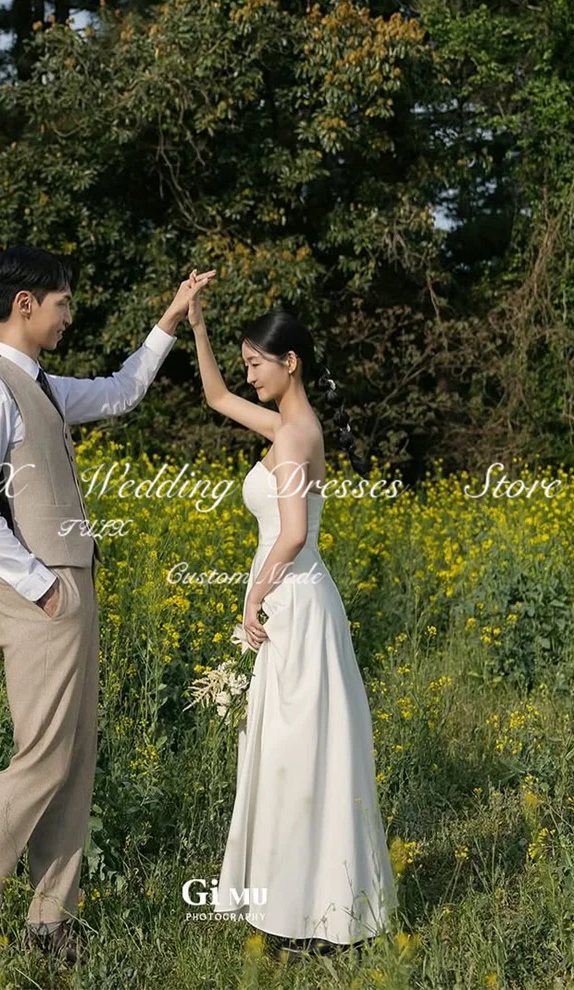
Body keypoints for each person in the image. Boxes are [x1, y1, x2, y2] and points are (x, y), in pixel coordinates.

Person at [0, 245, 213, 963]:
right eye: (62, 304)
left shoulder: (40, 384)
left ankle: (50, 924)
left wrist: (170, 318)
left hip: (68, 589)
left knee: (75, 758)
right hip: (40, 595)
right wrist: (42, 585)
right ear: (25, 305)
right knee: (41, 758)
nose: (68, 316)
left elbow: (121, 391)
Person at [186, 273, 397, 962]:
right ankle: (297, 906)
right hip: (298, 602)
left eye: (256, 363)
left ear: (290, 362)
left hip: (294, 605)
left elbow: (294, 532)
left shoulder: (293, 440)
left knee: (295, 757)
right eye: (246, 362)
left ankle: (315, 916)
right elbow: (214, 396)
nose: (247, 377)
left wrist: (253, 596)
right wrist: (196, 324)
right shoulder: (290, 425)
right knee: (288, 755)